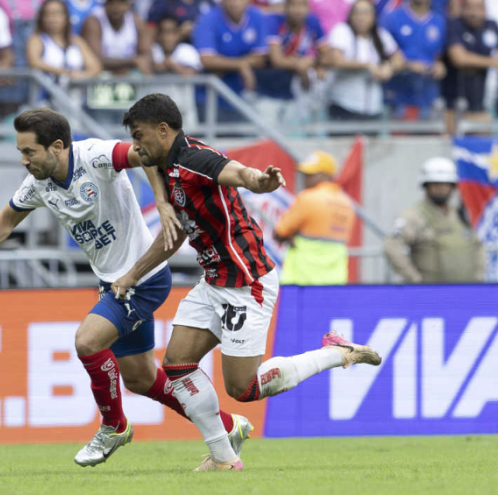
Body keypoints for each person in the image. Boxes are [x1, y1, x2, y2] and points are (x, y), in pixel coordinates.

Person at [0, 108, 250, 468]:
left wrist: (160, 200)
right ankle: (227, 427)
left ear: (56, 147)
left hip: (141, 278)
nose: (23, 161)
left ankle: (114, 426)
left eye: (28, 152)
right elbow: (8, 215)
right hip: (112, 283)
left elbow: (142, 153)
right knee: (141, 378)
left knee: (87, 341)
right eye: (20, 152)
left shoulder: (94, 156)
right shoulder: (39, 183)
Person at [115, 93, 382, 471]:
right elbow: (173, 236)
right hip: (213, 281)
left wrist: (260, 181)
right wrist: (132, 275)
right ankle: (224, 458)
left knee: (244, 389)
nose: (136, 146)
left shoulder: (194, 159)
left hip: (247, 281)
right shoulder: (167, 165)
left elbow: (237, 172)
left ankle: (338, 353)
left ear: (163, 130)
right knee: (176, 364)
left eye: (139, 135)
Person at [383, 157, 485, 283]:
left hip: (466, 292)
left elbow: (477, 246)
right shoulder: (414, 216)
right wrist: (414, 279)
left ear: (452, 186)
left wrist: (478, 276)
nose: (440, 188)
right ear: (426, 186)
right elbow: (392, 246)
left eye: (445, 184)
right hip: (431, 295)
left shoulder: (460, 214)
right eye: (435, 184)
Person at [273, 151, 356, 285]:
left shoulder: (307, 198)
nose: (305, 178)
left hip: (302, 282)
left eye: (311, 174)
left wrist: (291, 236)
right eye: (305, 174)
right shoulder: (347, 203)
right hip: (335, 280)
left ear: (326, 175)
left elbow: (279, 233)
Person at [324, 0, 405, 121]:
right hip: (344, 105)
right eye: (357, 13)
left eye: (366, 13)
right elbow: (336, 60)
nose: (361, 18)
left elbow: (400, 59)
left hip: (373, 107)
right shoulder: (342, 31)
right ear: (350, 15)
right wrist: (367, 66)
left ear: (374, 16)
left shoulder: (380, 35)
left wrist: (389, 67)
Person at [444, 0, 498, 134]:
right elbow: (459, 58)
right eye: (469, 8)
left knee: (482, 145)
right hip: (455, 102)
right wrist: (495, 62)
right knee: (454, 143)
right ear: (462, 9)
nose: (474, 13)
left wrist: (475, 62)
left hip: (485, 102)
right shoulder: (454, 25)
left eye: (478, 8)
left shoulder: (492, 25)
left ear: (485, 10)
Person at [192, 0, 268, 119]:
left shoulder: (257, 16)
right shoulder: (208, 19)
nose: (235, 3)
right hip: (212, 98)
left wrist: (239, 64)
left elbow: (261, 57)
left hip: (247, 95)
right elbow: (207, 59)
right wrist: (241, 65)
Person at [265, 0, 329, 123]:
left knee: (291, 138)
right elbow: (277, 60)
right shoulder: (274, 21)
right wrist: (299, 64)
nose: (298, 10)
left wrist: (313, 62)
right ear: (286, 7)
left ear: (309, 7)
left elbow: (327, 55)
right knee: (267, 137)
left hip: (293, 93)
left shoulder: (312, 21)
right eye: (294, 5)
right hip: (267, 92)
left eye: (302, 5)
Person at [382, 0, 447, 119]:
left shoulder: (439, 20)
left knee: (429, 135)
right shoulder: (391, 18)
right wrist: (408, 65)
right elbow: (382, 54)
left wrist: (439, 65)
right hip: (398, 94)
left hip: (428, 95)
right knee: (398, 135)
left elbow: (439, 55)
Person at [26, 0, 102, 85]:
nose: (53, 18)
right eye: (47, 14)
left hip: (75, 95)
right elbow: (34, 62)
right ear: (42, 18)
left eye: (57, 13)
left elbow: (95, 67)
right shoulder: (37, 39)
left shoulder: (76, 41)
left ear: (66, 17)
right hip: (47, 94)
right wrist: (64, 72)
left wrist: (81, 76)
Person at [81, 0, 153, 75]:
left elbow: (147, 55)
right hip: (101, 77)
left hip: (129, 75)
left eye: (121, 2)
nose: (116, 8)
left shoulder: (137, 21)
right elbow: (95, 60)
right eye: (111, 3)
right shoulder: (93, 22)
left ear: (128, 4)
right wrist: (132, 61)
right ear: (104, 5)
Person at [147, 0, 211, 41]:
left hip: (203, 45)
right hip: (174, 49)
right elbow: (149, 30)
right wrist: (180, 34)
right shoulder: (165, 2)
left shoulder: (207, 2)